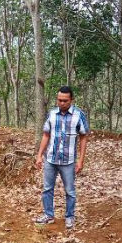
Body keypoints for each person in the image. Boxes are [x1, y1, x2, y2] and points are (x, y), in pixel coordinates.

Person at [35, 86, 89, 229]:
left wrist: (81, 160)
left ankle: (70, 217)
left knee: (70, 191)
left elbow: (83, 137)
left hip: (68, 160)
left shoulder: (79, 115)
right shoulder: (52, 114)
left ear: (71, 100)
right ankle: (48, 215)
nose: (62, 103)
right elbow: (46, 135)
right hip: (51, 158)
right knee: (47, 189)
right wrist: (40, 155)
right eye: (59, 100)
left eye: (65, 100)